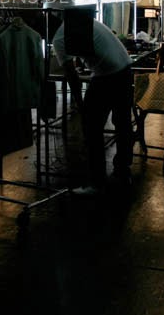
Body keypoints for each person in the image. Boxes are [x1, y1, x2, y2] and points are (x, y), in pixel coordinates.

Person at [51, 12, 134, 196]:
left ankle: (97, 182)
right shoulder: (82, 21)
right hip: (125, 69)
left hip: (107, 76)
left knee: (92, 128)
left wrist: (79, 104)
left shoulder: (58, 38)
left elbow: (71, 75)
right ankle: (123, 172)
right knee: (123, 125)